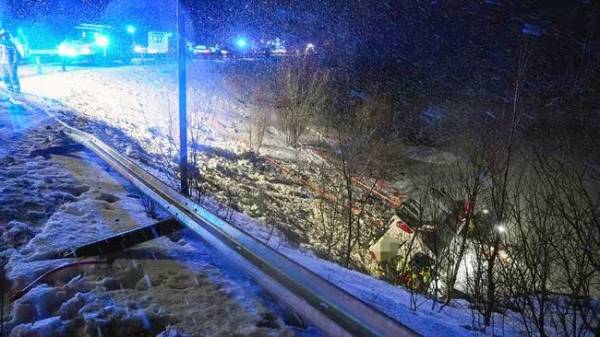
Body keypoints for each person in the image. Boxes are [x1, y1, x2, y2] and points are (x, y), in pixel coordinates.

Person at [0, 29, 20, 93]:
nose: (4, 37)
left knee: (13, 76)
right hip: (2, 63)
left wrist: (14, 63)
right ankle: (9, 89)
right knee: (4, 77)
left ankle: (16, 90)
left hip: (10, 63)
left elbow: (16, 54)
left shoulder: (11, 44)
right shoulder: (0, 44)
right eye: (2, 35)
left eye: (5, 35)